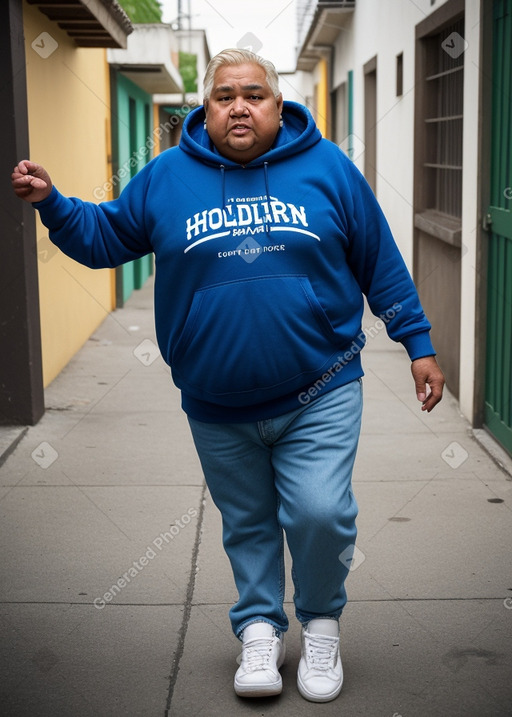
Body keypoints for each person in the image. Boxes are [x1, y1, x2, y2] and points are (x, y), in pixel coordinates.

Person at [12, 48, 444, 703]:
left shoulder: (328, 170)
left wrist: (416, 341)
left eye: (253, 94)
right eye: (223, 96)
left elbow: (378, 260)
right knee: (246, 521)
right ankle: (261, 630)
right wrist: (52, 202)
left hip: (322, 387)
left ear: (279, 104)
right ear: (204, 109)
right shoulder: (166, 177)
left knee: (320, 511)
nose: (238, 106)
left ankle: (322, 621)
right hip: (216, 401)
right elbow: (104, 239)